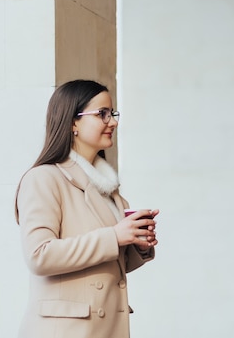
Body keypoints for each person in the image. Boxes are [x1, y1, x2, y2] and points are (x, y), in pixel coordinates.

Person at [15, 79, 159, 338]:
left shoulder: (110, 191)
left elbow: (108, 265)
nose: (112, 122)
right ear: (73, 122)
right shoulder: (44, 178)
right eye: (102, 114)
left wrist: (138, 243)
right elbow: (39, 255)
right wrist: (115, 236)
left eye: (112, 113)